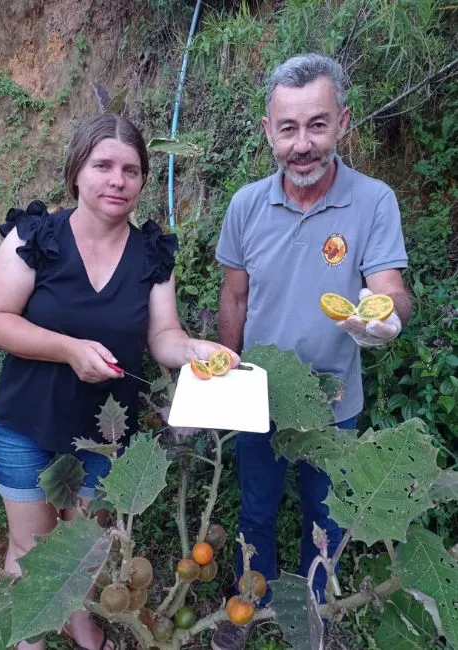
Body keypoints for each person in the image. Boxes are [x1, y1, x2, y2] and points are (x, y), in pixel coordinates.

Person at [0, 113, 239, 650]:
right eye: (103, 166)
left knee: (85, 547)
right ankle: (26, 638)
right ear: (77, 171)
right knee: (31, 552)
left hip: (102, 435)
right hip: (26, 425)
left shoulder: (151, 254)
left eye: (131, 169)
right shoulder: (37, 236)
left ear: (143, 180)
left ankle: (78, 620)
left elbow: (163, 335)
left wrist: (197, 350)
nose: (117, 180)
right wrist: (68, 349)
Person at [211, 54, 413, 650]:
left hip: (333, 400)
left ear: (343, 122)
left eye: (318, 125)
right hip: (257, 396)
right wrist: (225, 374)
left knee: (326, 520)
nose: (304, 144)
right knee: (255, 511)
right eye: (290, 128)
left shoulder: (373, 201)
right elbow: (233, 299)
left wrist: (388, 323)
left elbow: (391, 291)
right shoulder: (246, 204)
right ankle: (252, 601)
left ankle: (317, 617)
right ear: (268, 131)